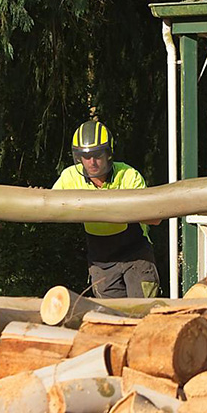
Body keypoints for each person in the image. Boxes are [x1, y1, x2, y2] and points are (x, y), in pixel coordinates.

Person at [52, 120, 160, 298]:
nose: (92, 162)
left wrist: (121, 209)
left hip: (136, 255)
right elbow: (49, 207)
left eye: (97, 155)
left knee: (142, 310)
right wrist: (36, 196)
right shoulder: (69, 177)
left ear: (108, 154)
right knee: (109, 312)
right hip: (100, 260)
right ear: (78, 157)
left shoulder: (128, 175)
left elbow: (156, 218)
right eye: (86, 156)